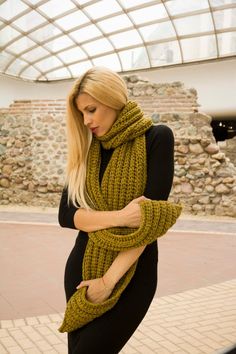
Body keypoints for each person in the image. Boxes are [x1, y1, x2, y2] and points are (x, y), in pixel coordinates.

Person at [58, 66, 178, 354]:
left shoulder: (157, 139)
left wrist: (107, 282)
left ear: (111, 99)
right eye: (82, 114)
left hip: (132, 273)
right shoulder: (88, 150)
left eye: (91, 110)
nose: (86, 121)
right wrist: (122, 217)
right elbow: (66, 215)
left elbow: (149, 224)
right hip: (82, 268)